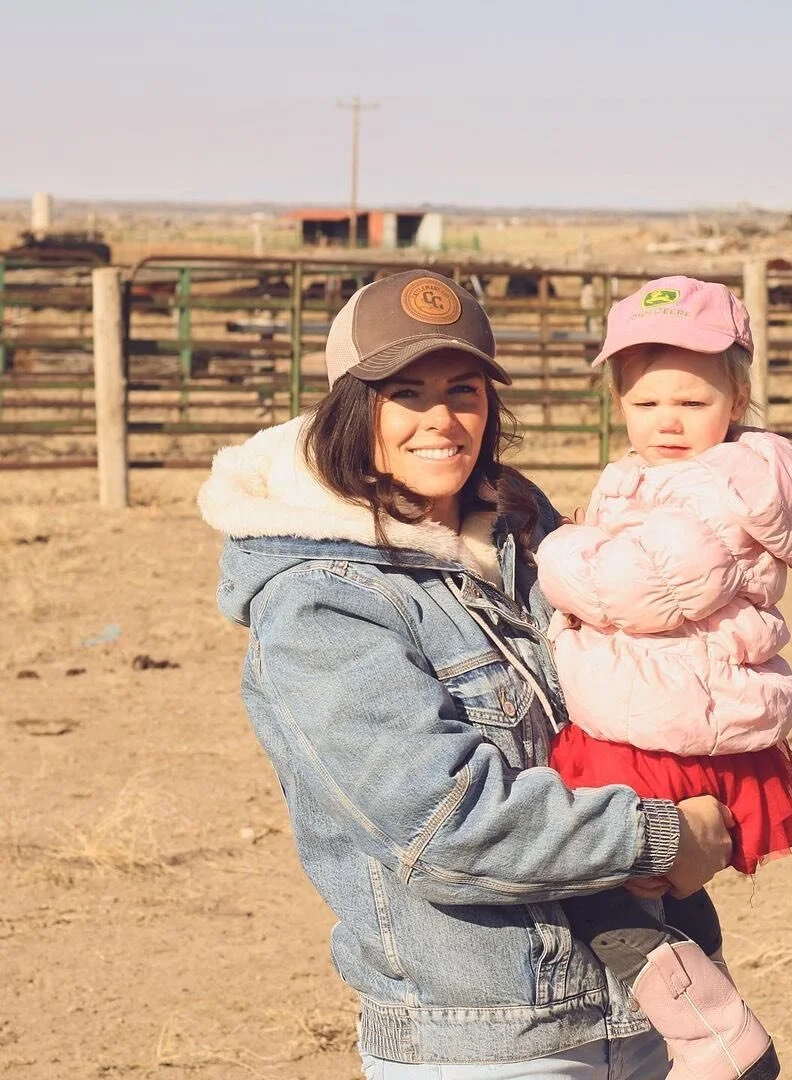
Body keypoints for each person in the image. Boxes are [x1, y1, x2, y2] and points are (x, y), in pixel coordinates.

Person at [197, 269, 737, 1079]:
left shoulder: (525, 525)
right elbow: (444, 827)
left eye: (464, 389)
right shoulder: (322, 604)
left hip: (658, 1003)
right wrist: (658, 834)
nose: (441, 420)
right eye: (405, 393)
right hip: (490, 1042)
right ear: (351, 404)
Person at [535, 276, 792, 1080]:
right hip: (671, 705)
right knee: (664, 887)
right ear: (618, 403)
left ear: (736, 397)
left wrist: (558, 548)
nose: (667, 421)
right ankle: (711, 1008)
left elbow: (644, 588)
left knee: (597, 882)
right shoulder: (667, 474)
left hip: (664, 722)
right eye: (646, 404)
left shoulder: (719, 487)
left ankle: (715, 1037)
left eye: (691, 400)